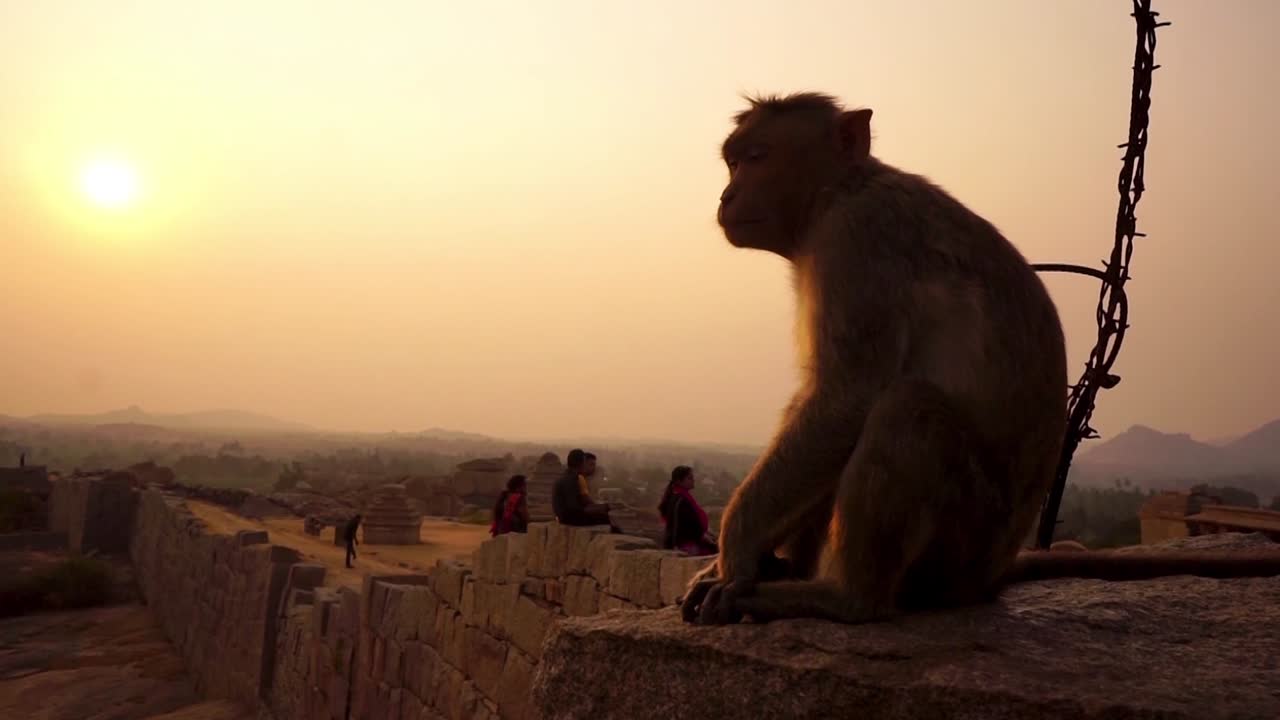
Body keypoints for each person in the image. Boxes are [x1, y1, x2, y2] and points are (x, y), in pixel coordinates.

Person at [552, 448, 621, 532]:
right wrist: (604, 508)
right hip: (569, 519)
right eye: (585, 462)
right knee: (607, 520)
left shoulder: (566, 477)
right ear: (581, 463)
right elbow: (574, 509)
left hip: (564, 517)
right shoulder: (572, 479)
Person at [658, 465, 718, 556]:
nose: (693, 480)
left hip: (683, 541)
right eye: (689, 478)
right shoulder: (681, 501)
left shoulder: (677, 496)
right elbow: (688, 527)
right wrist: (706, 539)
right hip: (684, 545)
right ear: (679, 481)